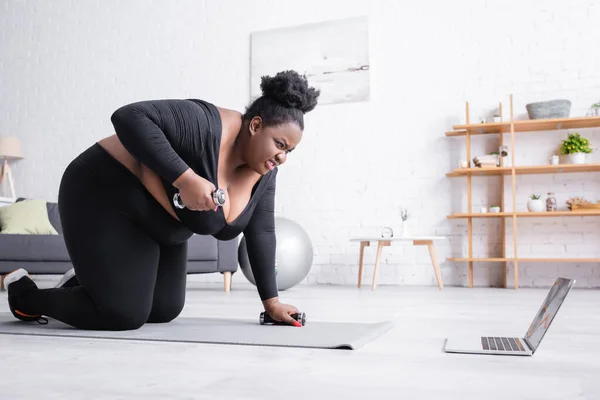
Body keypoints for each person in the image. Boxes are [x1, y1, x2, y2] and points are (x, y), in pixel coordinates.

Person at [3, 70, 320, 331]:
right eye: (280, 144)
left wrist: (272, 303)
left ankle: (85, 280)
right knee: (123, 314)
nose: (282, 157)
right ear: (255, 125)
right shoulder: (204, 123)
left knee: (164, 308)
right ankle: (24, 295)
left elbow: (261, 232)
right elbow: (129, 116)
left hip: (157, 223)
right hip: (101, 190)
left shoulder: (264, 172)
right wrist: (186, 179)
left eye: (289, 151)